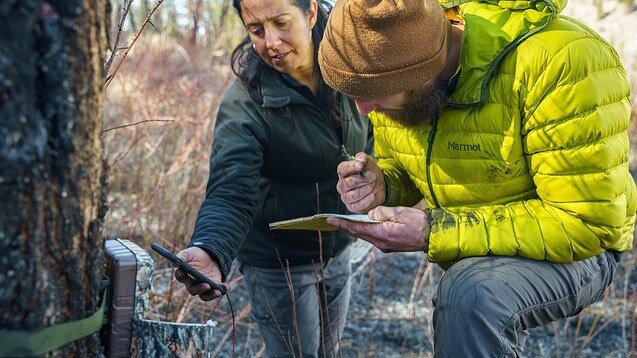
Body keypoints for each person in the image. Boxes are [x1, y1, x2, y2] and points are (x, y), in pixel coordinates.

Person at [317, 0, 636, 355]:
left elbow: (586, 222)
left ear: (425, 72)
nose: (363, 110)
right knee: (469, 293)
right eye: (353, 96)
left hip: (580, 249)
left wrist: (433, 230)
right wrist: (384, 184)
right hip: (476, 244)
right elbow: (406, 163)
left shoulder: (563, 62)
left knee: (471, 295)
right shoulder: (395, 73)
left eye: (373, 96)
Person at [173, 0, 372, 356]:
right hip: (279, 264)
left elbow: (381, 133)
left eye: (281, 23)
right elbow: (231, 190)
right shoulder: (245, 104)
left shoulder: (351, 64)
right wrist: (211, 248)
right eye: (256, 30)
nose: (271, 43)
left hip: (339, 246)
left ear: (310, 12)